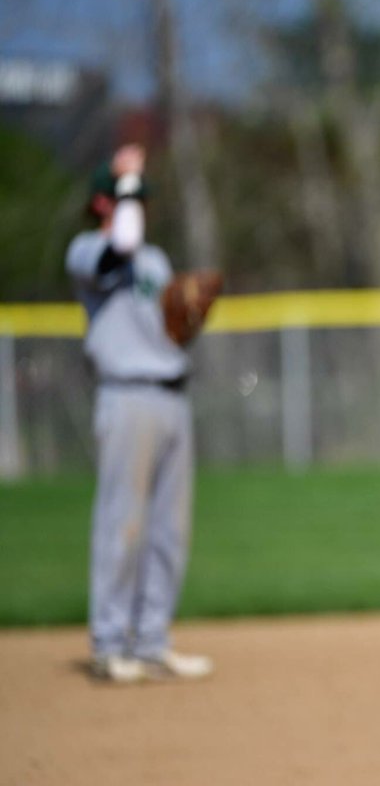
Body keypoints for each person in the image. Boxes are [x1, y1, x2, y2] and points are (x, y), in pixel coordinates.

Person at [66, 144, 214, 684]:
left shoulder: (154, 261)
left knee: (169, 530)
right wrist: (127, 175)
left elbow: (165, 323)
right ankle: (110, 643)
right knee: (121, 524)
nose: (140, 207)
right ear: (104, 201)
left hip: (172, 395)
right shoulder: (86, 251)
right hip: (125, 397)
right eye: (131, 197)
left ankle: (151, 640)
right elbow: (120, 244)